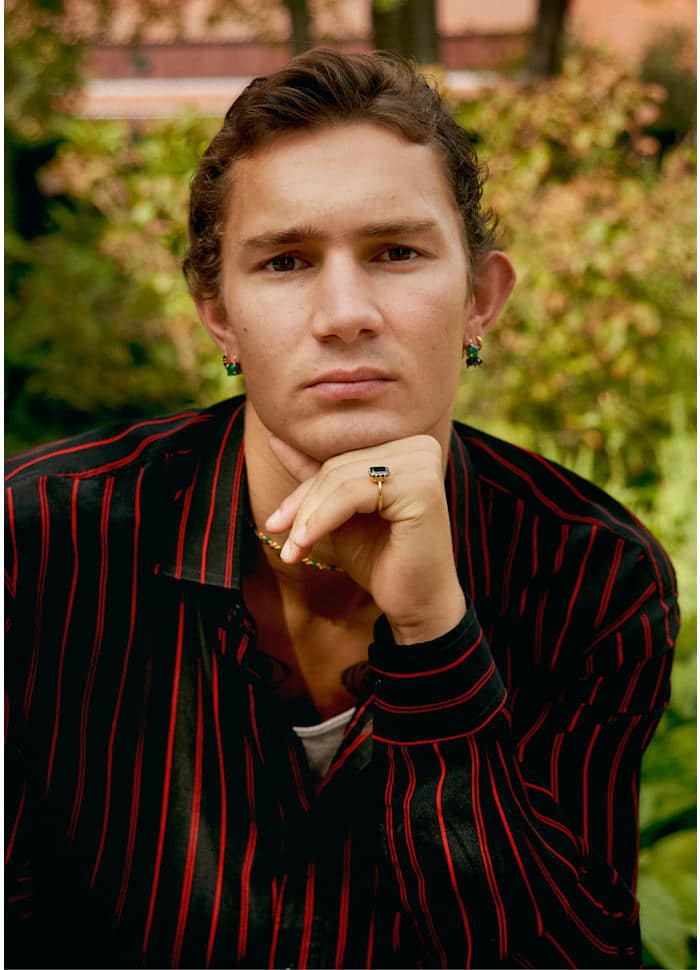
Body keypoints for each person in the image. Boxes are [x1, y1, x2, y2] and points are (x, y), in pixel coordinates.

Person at [5, 49, 678, 970]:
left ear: (480, 300)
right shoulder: (39, 545)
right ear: (219, 314)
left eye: (396, 252)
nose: (345, 313)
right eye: (285, 261)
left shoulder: (589, 576)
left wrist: (436, 634)